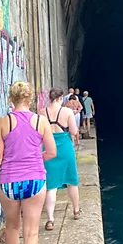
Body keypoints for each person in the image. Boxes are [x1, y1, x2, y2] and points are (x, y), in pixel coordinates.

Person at [0, 81, 57, 244]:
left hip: (8, 182)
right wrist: (36, 159)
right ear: (30, 99)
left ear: (11, 99)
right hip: (35, 181)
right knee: (32, 232)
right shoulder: (40, 121)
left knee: (12, 227)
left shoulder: (2, 122)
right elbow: (52, 152)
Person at [39, 88, 81, 231]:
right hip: (65, 148)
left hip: (48, 148)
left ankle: (50, 219)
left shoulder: (42, 112)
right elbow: (74, 132)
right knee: (71, 181)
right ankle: (76, 210)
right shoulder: (67, 112)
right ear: (61, 97)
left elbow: (39, 132)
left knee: (51, 185)